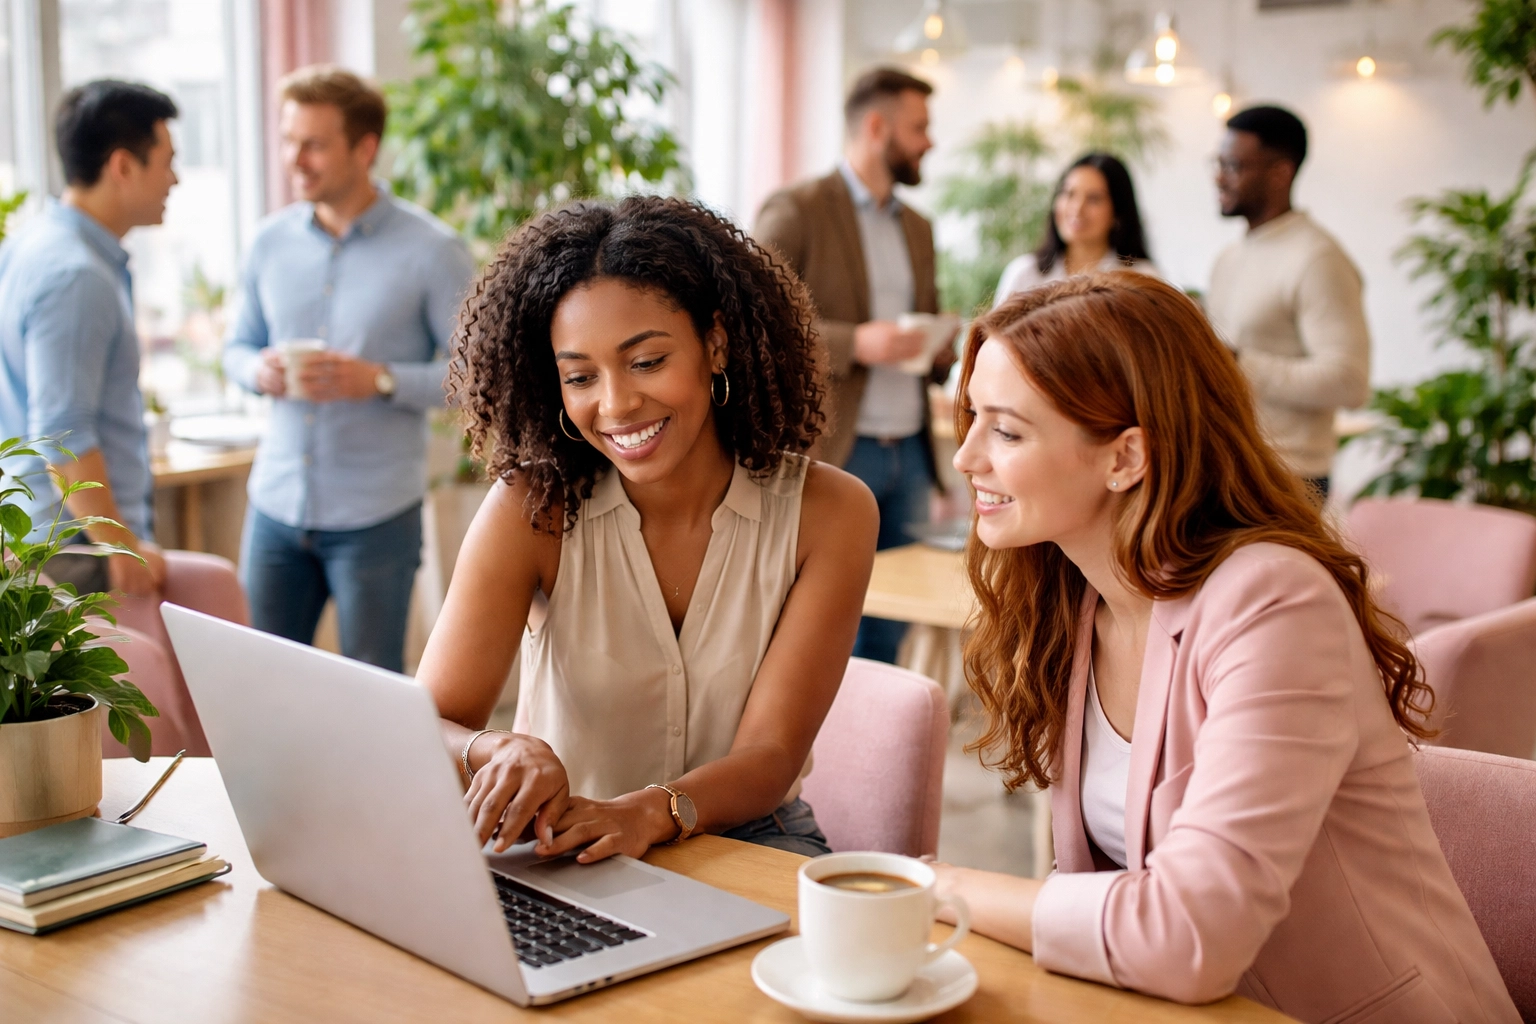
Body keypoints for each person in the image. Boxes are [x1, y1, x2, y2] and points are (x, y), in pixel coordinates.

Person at [928, 272, 1517, 1022]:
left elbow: (1188, 937)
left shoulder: (1273, 602)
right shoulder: (1076, 604)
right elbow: (1106, 890)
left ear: (1126, 458)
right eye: (972, 419)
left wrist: (939, 887)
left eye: (1006, 432)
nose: (965, 457)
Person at [416, 197, 877, 862]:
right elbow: (428, 724)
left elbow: (771, 755)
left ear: (715, 344)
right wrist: (495, 748)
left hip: (750, 835)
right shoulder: (531, 511)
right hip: (564, 841)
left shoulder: (829, 512)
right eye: (581, 376)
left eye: (647, 361)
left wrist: (646, 814)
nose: (616, 403)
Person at [0, 80, 248, 757]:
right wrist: (118, 544)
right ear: (121, 165)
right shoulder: (75, 274)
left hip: (57, 534)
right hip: (70, 546)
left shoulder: (38, 246)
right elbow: (62, 433)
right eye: (167, 159)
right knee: (150, 699)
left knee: (214, 594)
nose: (176, 178)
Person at [224, 66, 474, 672]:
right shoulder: (267, 243)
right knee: (258, 680)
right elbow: (236, 348)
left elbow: (474, 376)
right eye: (289, 140)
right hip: (275, 507)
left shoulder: (433, 251)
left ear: (365, 148)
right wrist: (258, 371)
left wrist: (381, 381)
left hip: (375, 517)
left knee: (370, 689)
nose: (295, 160)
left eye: (313, 144)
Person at [754, 66, 952, 666]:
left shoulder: (917, 227)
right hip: (837, 447)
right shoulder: (799, 209)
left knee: (889, 628)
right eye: (919, 127)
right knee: (817, 621)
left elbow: (925, 315)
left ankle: (875, 726)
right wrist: (855, 343)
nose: (929, 141)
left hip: (910, 450)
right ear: (876, 127)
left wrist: (940, 345)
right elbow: (753, 321)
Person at [1206, 105, 1369, 499]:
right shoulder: (1230, 257)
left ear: (1280, 172)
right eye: (1218, 163)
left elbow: (1350, 383)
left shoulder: (1317, 258)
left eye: (1233, 166)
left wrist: (1235, 363)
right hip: (1227, 466)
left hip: (1287, 477)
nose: (1219, 177)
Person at [993, 152, 1157, 307]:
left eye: (1093, 199)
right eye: (1069, 194)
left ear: (1118, 213)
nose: (1077, 208)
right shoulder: (1024, 273)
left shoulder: (1143, 280)